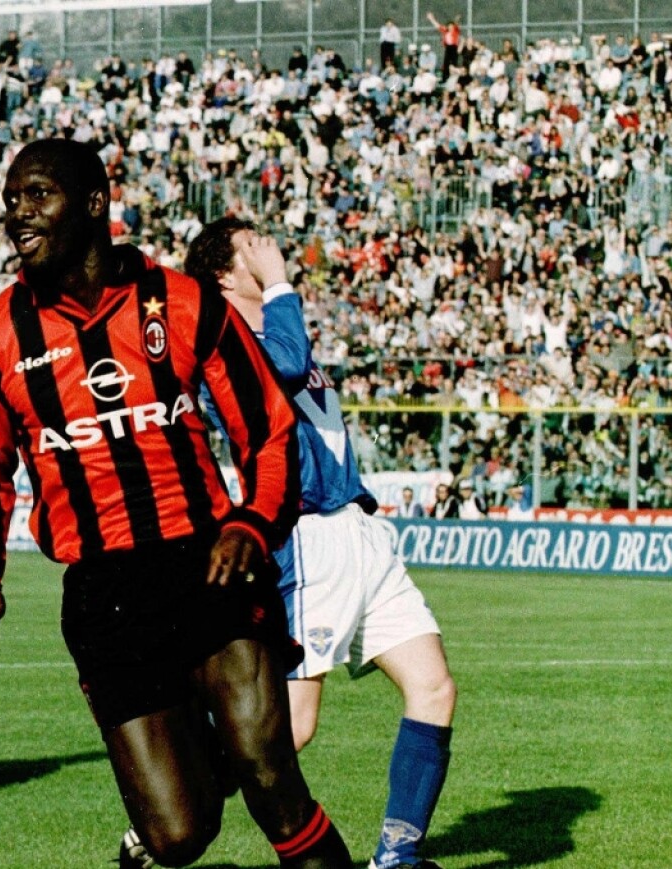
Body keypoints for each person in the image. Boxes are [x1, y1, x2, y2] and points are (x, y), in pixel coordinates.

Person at [0, 139, 351, 869]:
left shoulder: (183, 302)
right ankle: (192, 771)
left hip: (208, 565)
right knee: (177, 836)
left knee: (269, 773)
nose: (18, 214)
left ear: (95, 203)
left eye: (38, 196)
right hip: (105, 594)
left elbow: (267, 427)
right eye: (11, 201)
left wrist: (251, 522)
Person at [182, 219, 456, 869]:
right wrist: (280, 283)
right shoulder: (225, 340)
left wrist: (280, 293)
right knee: (292, 726)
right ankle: (169, 812)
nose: (269, 247)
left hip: (359, 530)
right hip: (308, 538)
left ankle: (397, 857)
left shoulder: (280, 329)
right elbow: (284, 365)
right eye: (252, 243)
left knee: (434, 687)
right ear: (223, 272)